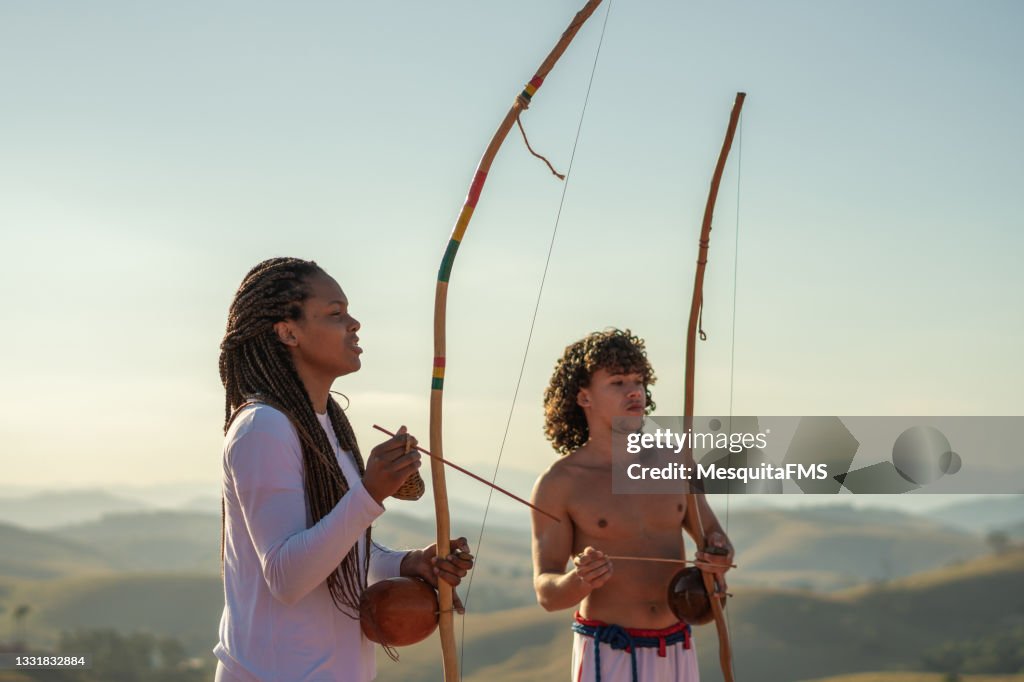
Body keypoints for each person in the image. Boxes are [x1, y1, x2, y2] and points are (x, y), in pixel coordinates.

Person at [214, 257, 473, 682]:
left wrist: (408, 564)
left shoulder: (325, 423)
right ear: (288, 331)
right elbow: (287, 575)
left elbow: (335, 550)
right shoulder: (263, 427)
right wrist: (370, 493)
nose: (354, 324)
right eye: (335, 314)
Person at [531, 329, 733, 682]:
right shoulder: (560, 483)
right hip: (608, 651)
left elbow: (714, 536)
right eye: (618, 381)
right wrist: (579, 580)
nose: (635, 390)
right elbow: (547, 592)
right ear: (583, 397)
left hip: (677, 645)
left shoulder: (676, 460)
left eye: (639, 380)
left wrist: (719, 554)